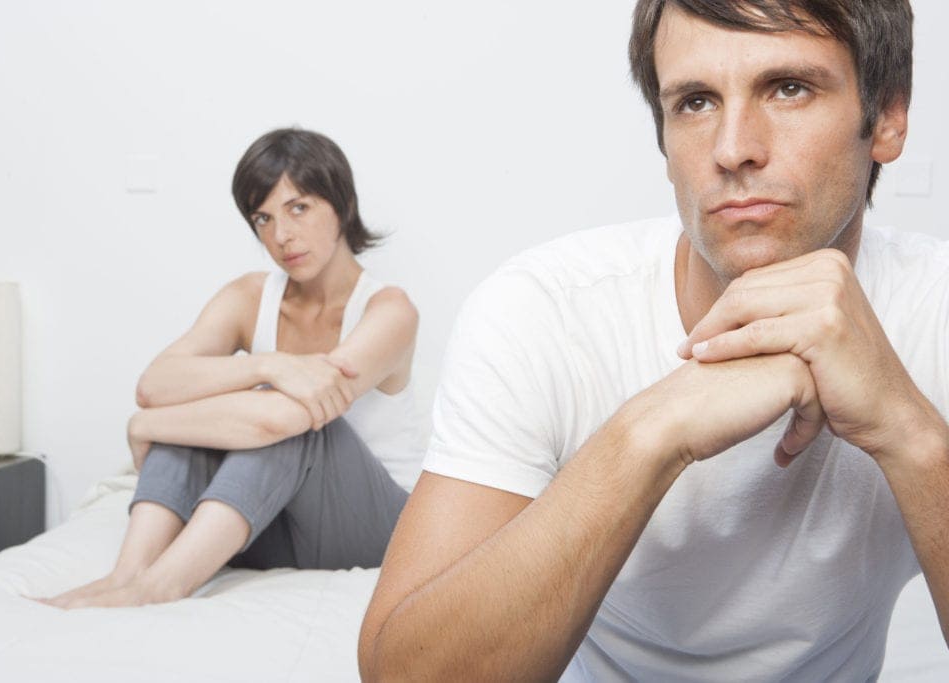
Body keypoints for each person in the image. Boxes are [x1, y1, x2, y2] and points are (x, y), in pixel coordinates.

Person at [359, 1, 949, 680]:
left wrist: (909, 432)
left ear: (889, 118)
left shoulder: (933, 308)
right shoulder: (541, 311)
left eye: (789, 88)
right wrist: (650, 432)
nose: (733, 148)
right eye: (695, 102)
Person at [41, 128, 423, 609]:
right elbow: (155, 384)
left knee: (294, 422)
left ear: (341, 204)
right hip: (273, 523)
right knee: (217, 415)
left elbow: (281, 421)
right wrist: (270, 365)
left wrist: (147, 427)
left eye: (298, 208)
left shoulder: (389, 311)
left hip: (375, 529)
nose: (281, 236)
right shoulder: (249, 296)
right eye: (263, 218)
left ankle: (161, 587)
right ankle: (128, 576)